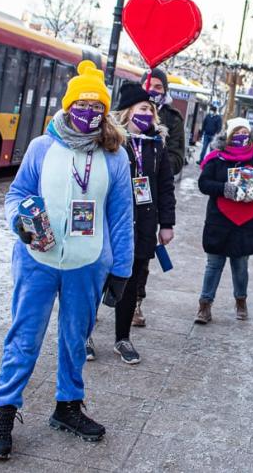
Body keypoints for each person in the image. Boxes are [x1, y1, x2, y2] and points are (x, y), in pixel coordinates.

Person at [0, 60, 133, 460]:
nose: (89, 113)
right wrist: (19, 219)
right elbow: (16, 194)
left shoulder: (115, 157)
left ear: (105, 111)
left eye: (96, 107)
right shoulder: (41, 147)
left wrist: (122, 269)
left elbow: (121, 216)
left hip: (87, 263)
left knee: (75, 339)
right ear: (67, 107)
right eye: (81, 106)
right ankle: (4, 410)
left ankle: (68, 405)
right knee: (24, 337)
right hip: (37, 259)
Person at [88, 83, 176, 364]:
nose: (148, 114)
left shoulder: (156, 145)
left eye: (151, 110)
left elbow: (165, 186)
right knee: (96, 280)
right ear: (128, 112)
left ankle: (122, 339)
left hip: (142, 226)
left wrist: (167, 223)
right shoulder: (111, 140)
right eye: (142, 108)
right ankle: (84, 336)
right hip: (110, 222)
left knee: (129, 281)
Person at [195, 118, 253, 323]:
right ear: (229, 136)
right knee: (214, 263)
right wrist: (225, 189)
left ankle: (241, 300)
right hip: (219, 219)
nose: (241, 136)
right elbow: (204, 183)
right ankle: (205, 305)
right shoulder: (216, 158)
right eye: (237, 132)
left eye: (245, 132)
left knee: (240, 264)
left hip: (247, 221)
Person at [136, 68, 185, 326]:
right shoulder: (129, 108)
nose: (152, 90)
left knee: (142, 254)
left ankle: (136, 302)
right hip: (124, 193)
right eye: (149, 85)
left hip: (150, 194)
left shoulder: (172, 118)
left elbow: (178, 156)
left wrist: (158, 157)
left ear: (164, 90)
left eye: (158, 86)